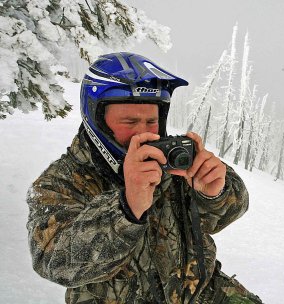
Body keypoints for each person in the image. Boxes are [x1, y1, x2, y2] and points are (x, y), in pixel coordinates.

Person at [27, 52, 262, 304]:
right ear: (97, 119)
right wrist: (126, 208)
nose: (142, 132)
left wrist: (215, 193)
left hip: (200, 291)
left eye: (151, 121)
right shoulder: (60, 182)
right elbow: (52, 261)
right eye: (129, 121)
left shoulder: (173, 159)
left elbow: (228, 211)